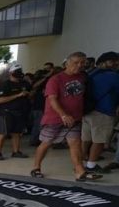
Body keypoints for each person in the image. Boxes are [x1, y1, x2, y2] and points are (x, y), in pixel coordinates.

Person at [31, 51, 100, 182]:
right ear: (67, 63)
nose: (79, 65)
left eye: (82, 63)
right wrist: (63, 114)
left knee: (75, 143)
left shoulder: (82, 78)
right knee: (46, 143)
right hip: (55, 118)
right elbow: (52, 99)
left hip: (75, 118)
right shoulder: (55, 79)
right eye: (76, 63)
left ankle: (80, 171)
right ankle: (36, 167)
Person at [83, 51, 119, 172]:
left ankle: (80, 163)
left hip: (87, 111)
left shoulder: (91, 73)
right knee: (99, 141)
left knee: (86, 139)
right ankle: (91, 166)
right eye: (113, 61)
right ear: (103, 62)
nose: (116, 63)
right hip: (103, 112)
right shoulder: (112, 75)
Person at [0, 63, 31, 159]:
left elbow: (30, 94)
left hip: (20, 112)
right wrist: (17, 95)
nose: (19, 73)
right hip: (7, 112)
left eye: (20, 71)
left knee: (16, 133)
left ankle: (16, 152)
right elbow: (0, 100)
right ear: (11, 72)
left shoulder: (24, 83)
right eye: (17, 71)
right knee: (3, 133)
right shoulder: (5, 84)